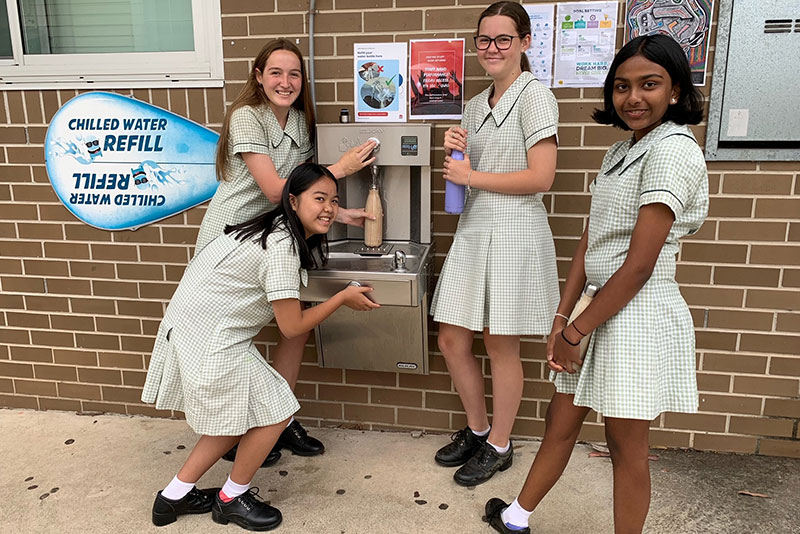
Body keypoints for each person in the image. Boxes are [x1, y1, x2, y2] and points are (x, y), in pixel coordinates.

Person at [484, 34, 707, 534]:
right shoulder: (621, 152)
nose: (633, 98)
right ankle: (518, 517)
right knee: (559, 420)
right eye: (622, 86)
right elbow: (589, 240)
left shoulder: (673, 150)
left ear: (674, 91)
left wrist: (575, 331)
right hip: (596, 307)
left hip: (636, 313)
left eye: (649, 84)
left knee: (627, 448)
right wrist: (562, 317)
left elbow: (640, 264)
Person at [142, 163, 379, 531]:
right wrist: (342, 298)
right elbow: (292, 326)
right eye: (319, 199)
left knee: (232, 421)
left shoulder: (272, 226)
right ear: (293, 199)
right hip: (211, 338)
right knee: (275, 409)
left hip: (195, 329)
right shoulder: (281, 245)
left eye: (334, 200)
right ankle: (232, 497)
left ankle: (172, 497)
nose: (329, 208)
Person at [196, 39, 377, 465]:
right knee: (233, 341)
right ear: (258, 77)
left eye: (294, 74)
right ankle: (234, 431)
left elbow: (306, 194)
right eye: (275, 72)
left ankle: (279, 417)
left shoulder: (298, 121)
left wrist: (339, 212)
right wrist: (342, 168)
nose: (285, 81)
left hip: (277, 239)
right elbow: (278, 190)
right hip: (231, 243)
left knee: (291, 332)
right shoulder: (247, 117)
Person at [431, 1, 560, 487]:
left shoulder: (535, 97)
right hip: (475, 229)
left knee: (499, 342)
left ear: (525, 43)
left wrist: (472, 174)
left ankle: (500, 446)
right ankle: (479, 429)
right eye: (484, 39)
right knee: (451, 337)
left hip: (514, 231)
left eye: (504, 39)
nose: (492, 48)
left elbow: (542, 177)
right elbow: (463, 188)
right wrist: (456, 152)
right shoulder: (474, 103)